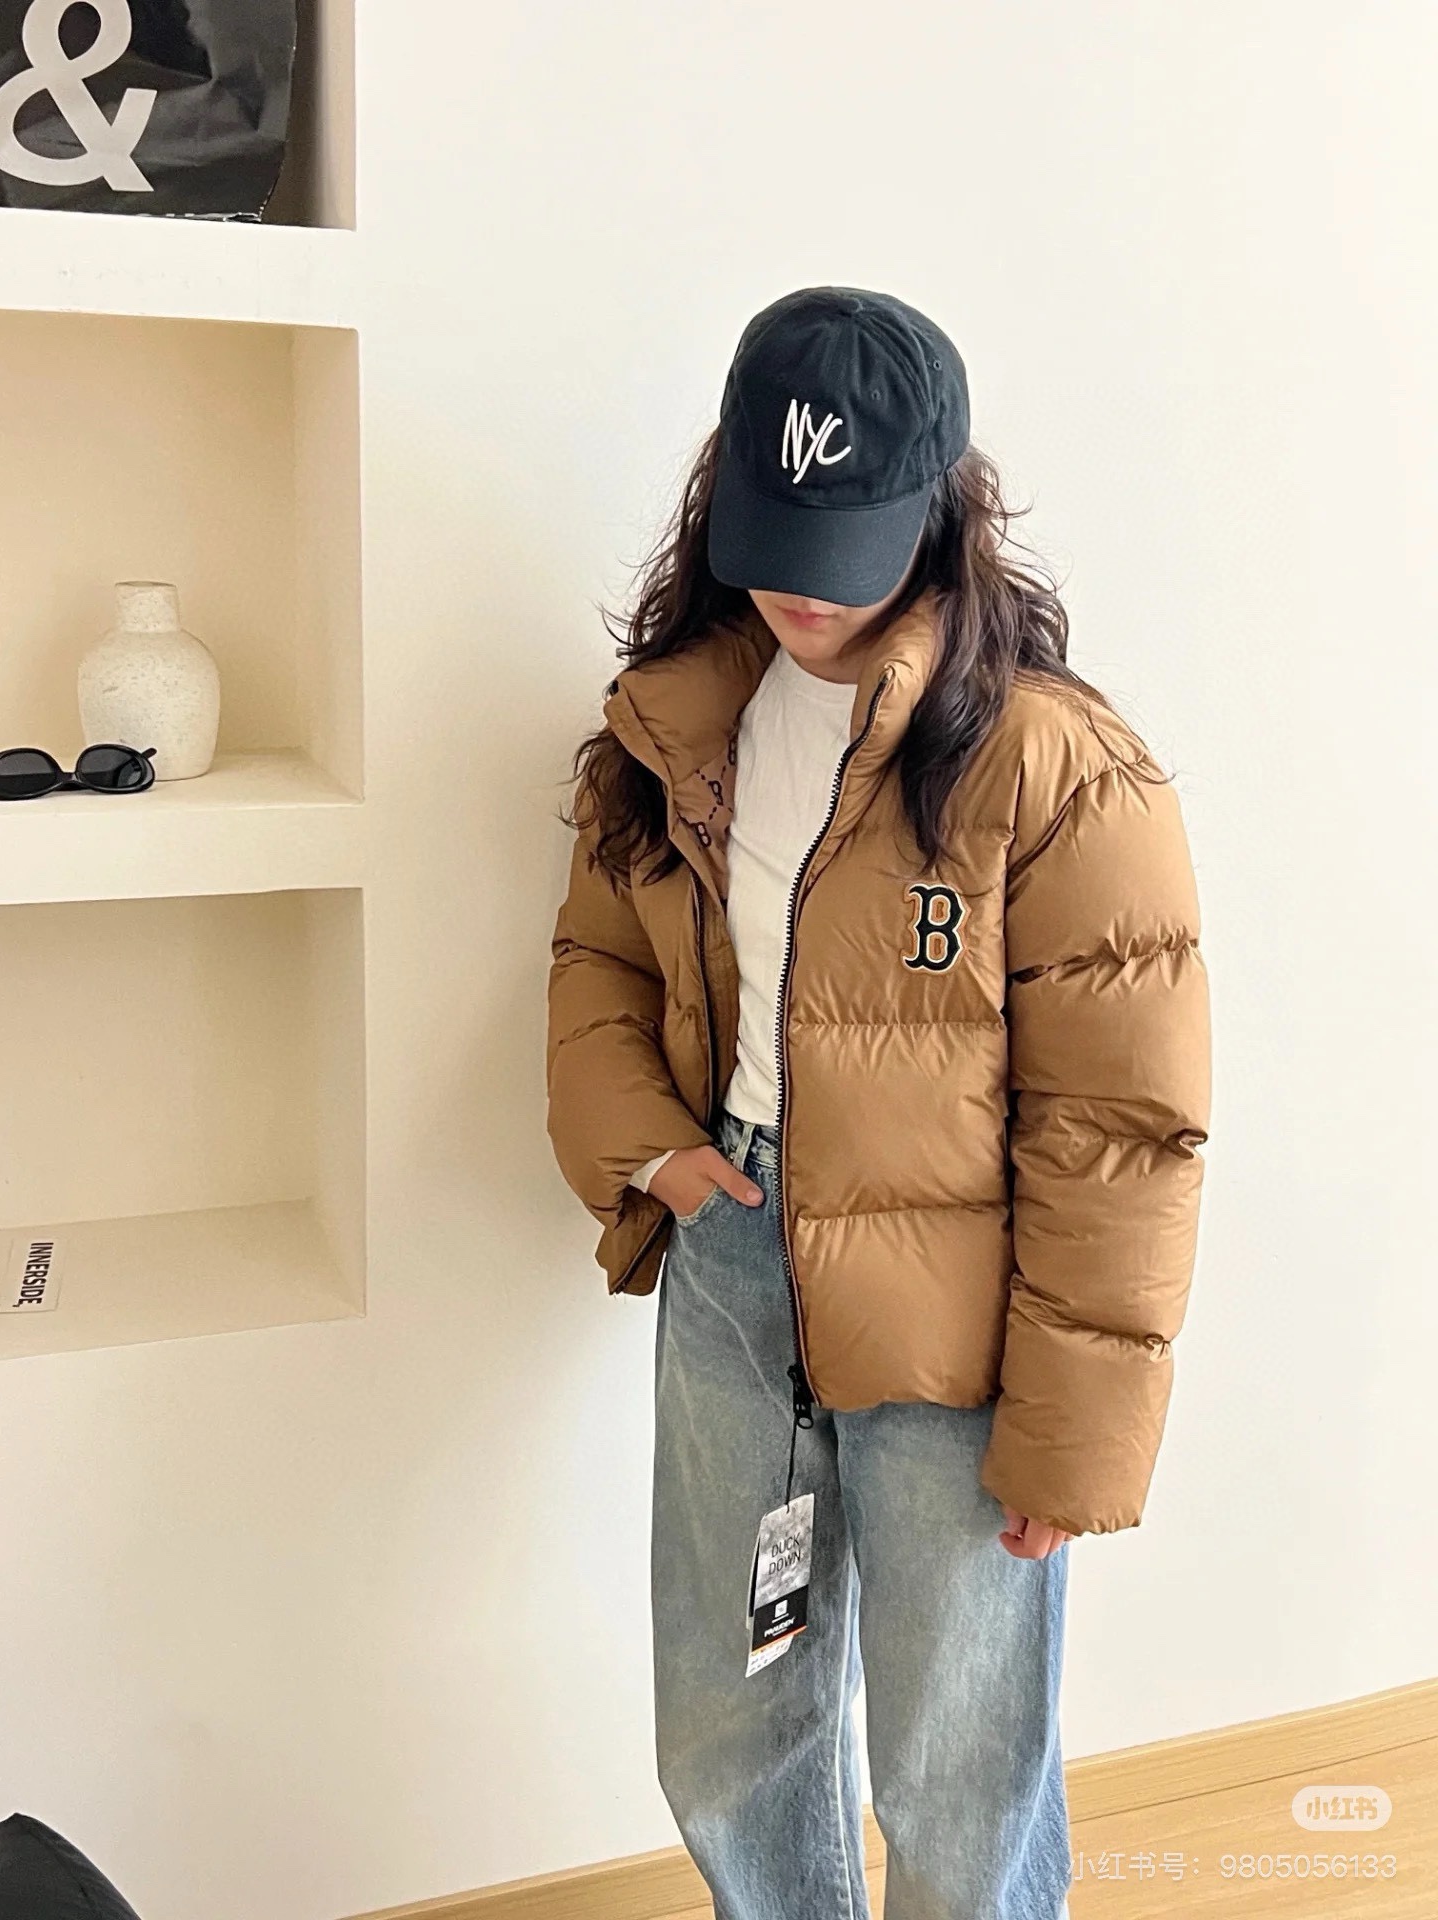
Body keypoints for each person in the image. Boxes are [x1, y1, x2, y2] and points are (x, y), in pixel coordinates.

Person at [545, 285, 1210, 1920]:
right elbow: (599, 959)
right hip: (735, 1256)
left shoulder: (1052, 763)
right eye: (776, 538)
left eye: (844, 548)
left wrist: (1073, 1427)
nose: (802, 592)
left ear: (939, 510)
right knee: (730, 1721)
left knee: (956, 1760)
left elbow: (1122, 1124)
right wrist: (661, 1156)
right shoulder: (681, 717)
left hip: (960, 1302)